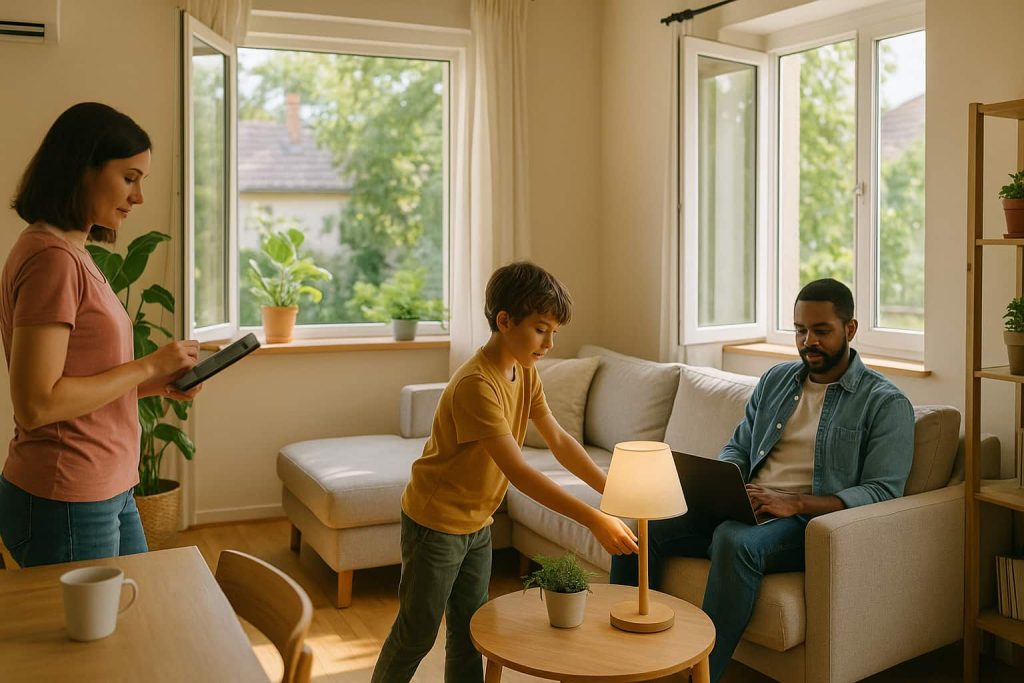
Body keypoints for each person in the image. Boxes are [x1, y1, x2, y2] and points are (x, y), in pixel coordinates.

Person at [610, 278, 915, 682]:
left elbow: (882, 491)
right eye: (800, 330)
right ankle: (625, 662)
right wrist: (724, 486)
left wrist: (796, 503)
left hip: (807, 522)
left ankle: (702, 676)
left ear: (850, 329)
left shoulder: (885, 403)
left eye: (821, 331)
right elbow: (738, 447)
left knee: (733, 539)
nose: (809, 341)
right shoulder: (776, 381)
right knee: (642, 528)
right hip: (750, 504)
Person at [371, 261, 639, 683]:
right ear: (504, 320)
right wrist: (593, 518)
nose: (549, 343)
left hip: (478, 522)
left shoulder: (525, 370)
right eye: (541, 329)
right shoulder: (477, 384)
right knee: (416, 634)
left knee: (470, 631)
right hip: (435, 524)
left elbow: (559, 439)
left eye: (554, 332)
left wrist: (611, 489)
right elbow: (519, 472)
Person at [0, 102, 201, 568]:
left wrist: (156, 384)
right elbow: (38, 404)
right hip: (68, 494)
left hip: (105, 485)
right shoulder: (53, 259)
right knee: (100, 620)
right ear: (81, 168)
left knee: (132, 608)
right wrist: (148, 365)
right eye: (129, 178)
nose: (139, 196)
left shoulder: (73, 252)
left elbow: (79, 384)